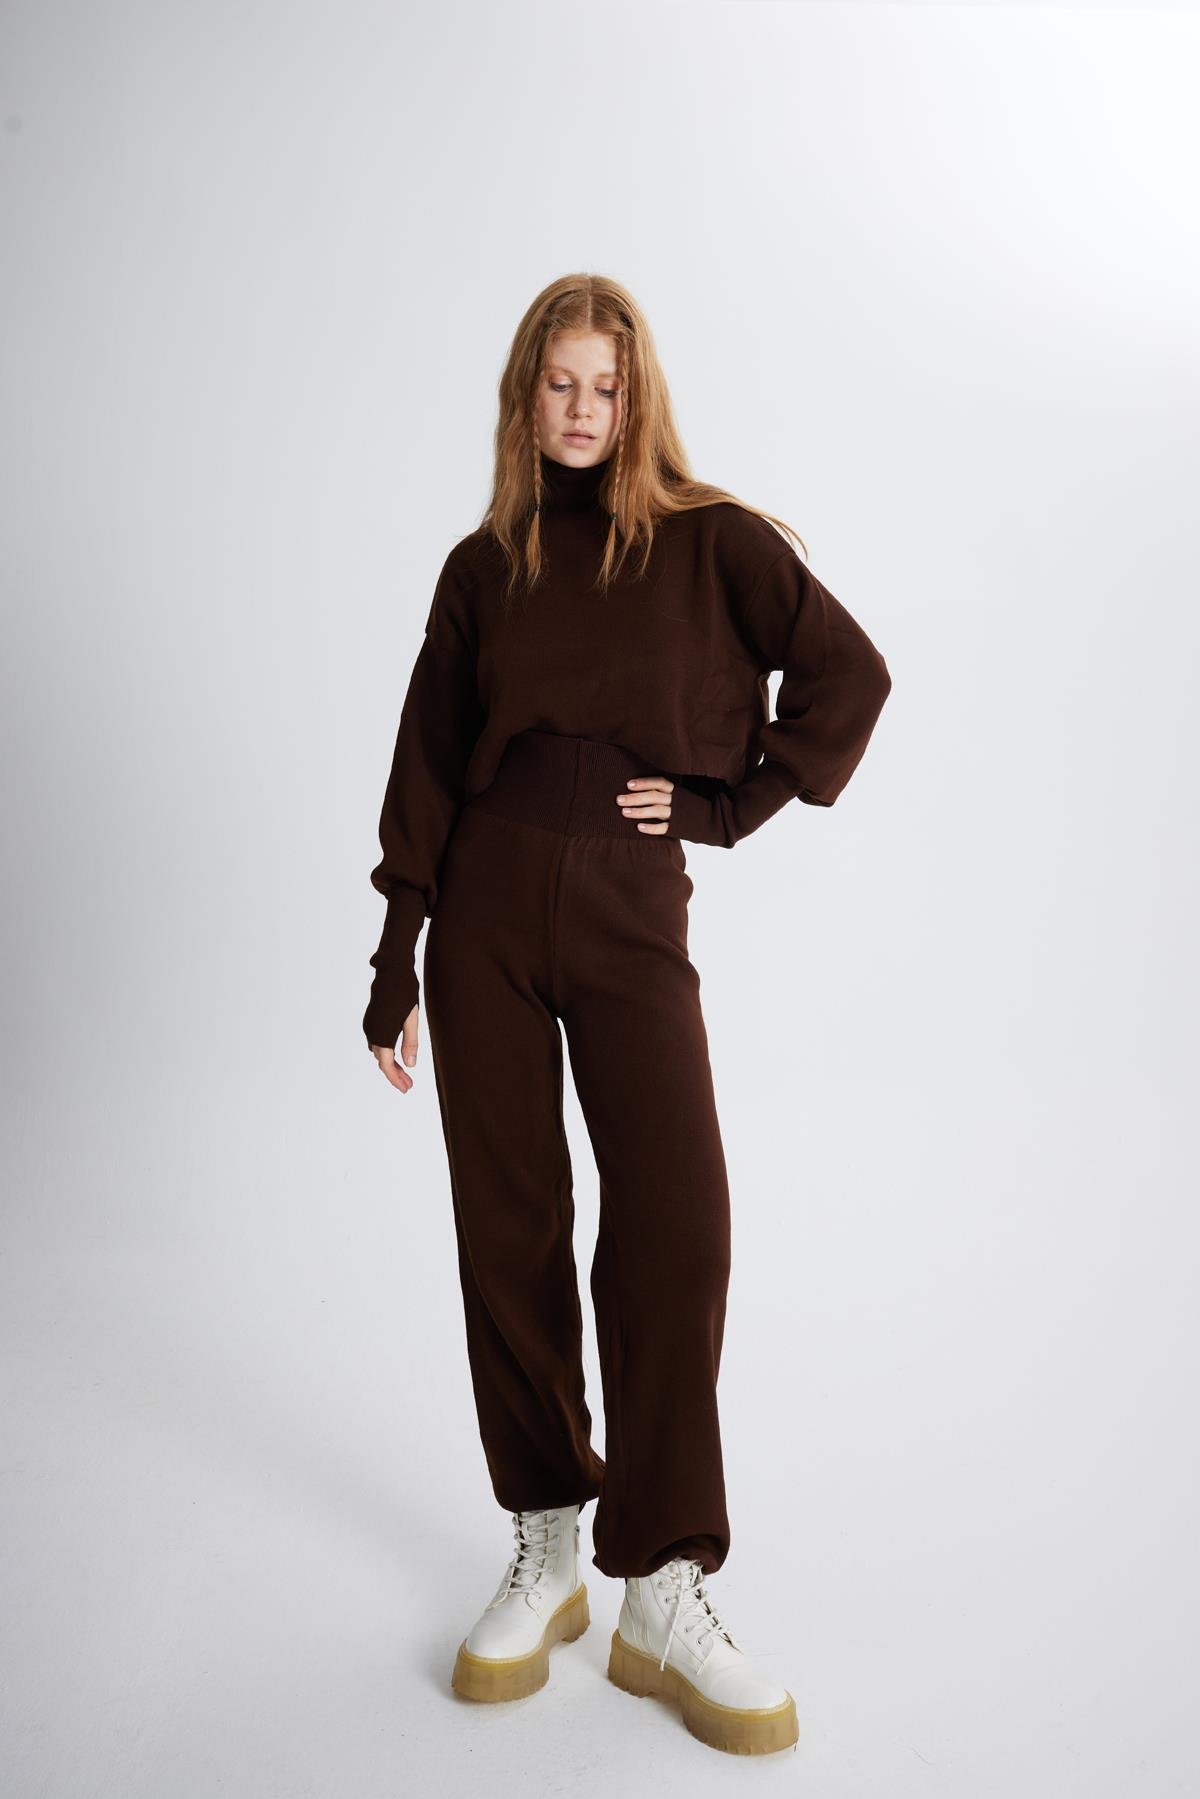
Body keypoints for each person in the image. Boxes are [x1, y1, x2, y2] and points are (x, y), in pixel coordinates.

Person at [362, 273, 892, 1757]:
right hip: (483, 909)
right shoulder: (486, 565)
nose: (582, 409)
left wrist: (728, 805)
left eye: (605, 385)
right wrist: (397, 956)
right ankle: (546, 1539)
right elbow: (426, 759)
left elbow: (851, 677)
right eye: (559, 384)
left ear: (636, 395)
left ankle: (660, 1580)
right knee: (510, 1222)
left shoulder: (714, 544)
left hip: (628, 915)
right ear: (524, 397)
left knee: (675, 1214)